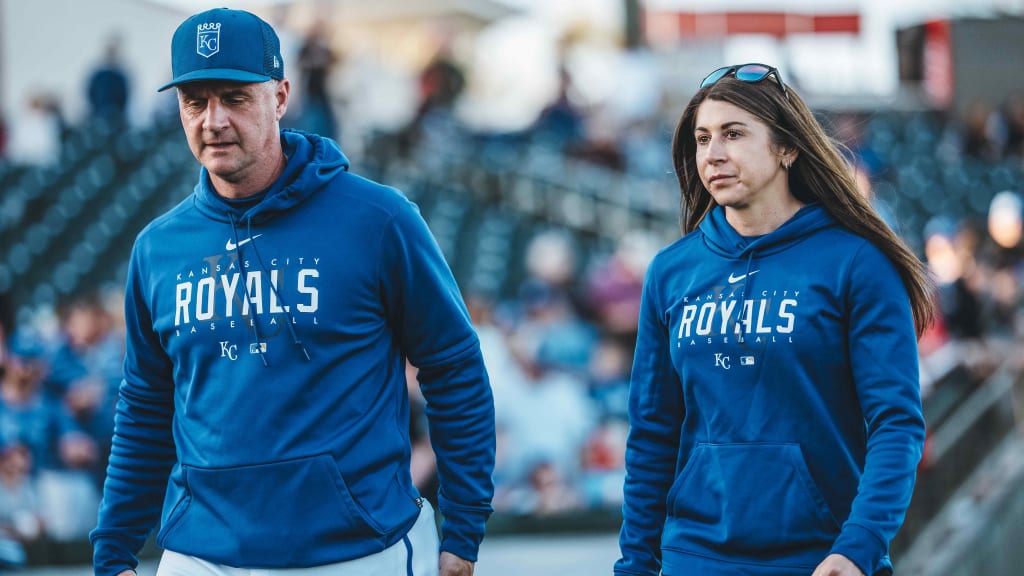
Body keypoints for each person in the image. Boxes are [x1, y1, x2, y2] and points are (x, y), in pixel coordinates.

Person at [89, 9, 495, 576]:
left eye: (234, 96)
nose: (213, 120)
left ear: (280, 97)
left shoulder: (378, 220)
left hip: (357, 552)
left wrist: (464, 527)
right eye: (194, 101)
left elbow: (454, 368)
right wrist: (114, 550)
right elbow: (145, 405)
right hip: (201, 555)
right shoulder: (157, 249)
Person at [614, 64, 936, 576]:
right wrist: (634, 563)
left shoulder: (857, 264)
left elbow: (896, 425)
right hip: (695, 557)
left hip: (823, 560)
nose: (712, 153)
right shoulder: (671, 272)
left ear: (788, 148)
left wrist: (859, 545)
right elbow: (653, 431)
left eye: (733, 134)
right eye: (702, 138)